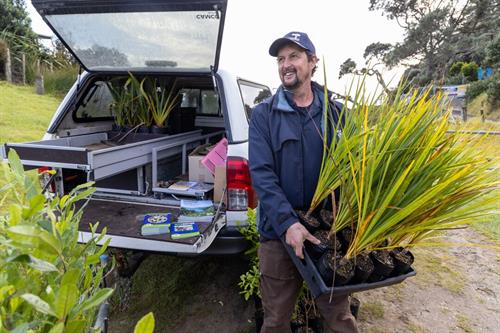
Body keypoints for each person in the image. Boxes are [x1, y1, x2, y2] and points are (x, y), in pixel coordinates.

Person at [248, 31, 359, 333]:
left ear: (312, 62)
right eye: (281, 59)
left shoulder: (337, 115)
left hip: (327, 233)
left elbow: (355, 170)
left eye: (294, 56)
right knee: (275, 320)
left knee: (340, 318)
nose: (286, 64)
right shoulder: (263, 115)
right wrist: (288, 224)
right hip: (278, 234)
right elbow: (262, 174)